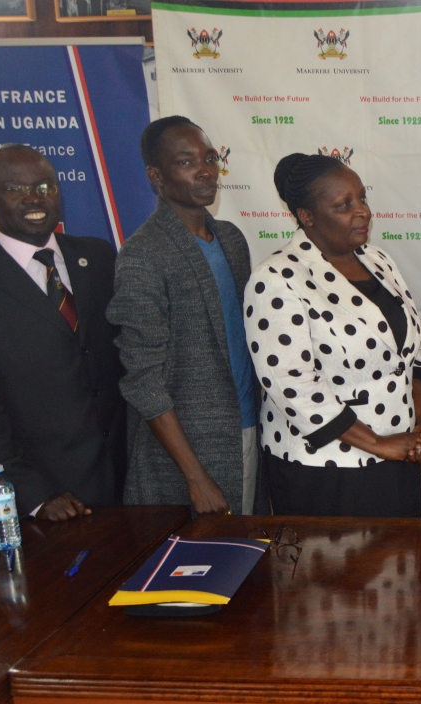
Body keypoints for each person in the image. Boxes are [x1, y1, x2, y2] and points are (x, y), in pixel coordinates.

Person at [244, 153, 421, 517]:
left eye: (362, 198)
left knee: (403, 568)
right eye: (344, 204)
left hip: (399, 455)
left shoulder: (379, 260)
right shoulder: (276, 278)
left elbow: (411, 355)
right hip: (324, 470)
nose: (362, 211)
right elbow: (291, 386)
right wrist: (379, 444)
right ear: (307, 217)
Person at [0, 144, 125, 519]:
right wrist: (33, 496)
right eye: (14, 189)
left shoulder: (97, 258)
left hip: (132, 481)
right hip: (52, 500)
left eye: (45, 186)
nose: (35, 198)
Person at [108, 116, 263, 515]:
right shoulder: (143, 254)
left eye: (210, 157)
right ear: (155, 175)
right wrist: (195, 476)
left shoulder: (231, 238)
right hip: (184, 457)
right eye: (186, 161)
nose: (205, 170)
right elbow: (143, 379)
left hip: (250, 431)